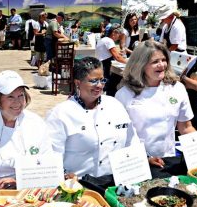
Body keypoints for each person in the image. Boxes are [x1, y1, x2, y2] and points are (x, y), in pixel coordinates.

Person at [46, 57, 139, 185]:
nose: (100, 85)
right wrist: (63, 175)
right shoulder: (60, 114)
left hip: (115, 183)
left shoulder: (115, 105)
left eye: (102, 80)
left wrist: (142, 160)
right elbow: (52, 156)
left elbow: (131, 141)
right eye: (94, 81)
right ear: (78, 83)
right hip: (78, 185)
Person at [116, 40, 195, 176]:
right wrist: (144, 158)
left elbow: (186, 127)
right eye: (154, 62)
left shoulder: (177, 89)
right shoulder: (124, 95)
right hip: (137, 163)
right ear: (140, 65)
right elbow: (119, 138)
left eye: (164, 60)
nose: (161, 65)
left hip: (168, 161)